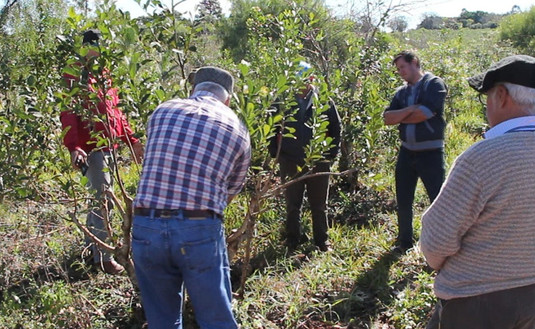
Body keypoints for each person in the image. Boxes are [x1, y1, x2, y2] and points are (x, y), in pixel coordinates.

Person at [421, 55, 535, 329]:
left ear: (502, 95)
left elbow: (436, 243)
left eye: (486, 99)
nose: (486, 109)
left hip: (478, 300)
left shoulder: (483, 158)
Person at [132, 66, 251, 328]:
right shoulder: (238, 130)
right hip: (198, 227)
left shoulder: (162, 111)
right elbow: (229, 193)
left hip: (145, 226)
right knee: (216, 318)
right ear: (228, 99)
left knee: (162, 320)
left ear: (193, 89)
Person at [60, 29, 143, 274]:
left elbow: (114, 112)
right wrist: (74, 146)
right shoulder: (75, 74)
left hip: (108, 146)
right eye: (94, 46)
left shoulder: (104, 75)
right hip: (91, 148)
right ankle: (104, 259)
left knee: (99, 197)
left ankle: (90, 249)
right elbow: (68, 113)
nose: (98, 52)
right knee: (103, 199)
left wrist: (131, 140)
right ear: (86, 47)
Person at [268, 61, 341, 252]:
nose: (301, 83)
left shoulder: (324, 100)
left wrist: (330, 154)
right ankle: (292, 241)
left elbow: (336, 127)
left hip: (318, 160)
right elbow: (271, 125)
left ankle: (321, 241)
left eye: (304, 79)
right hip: (290, 160)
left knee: (319, 205)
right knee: (293, 204)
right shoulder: (282, 100)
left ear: (311, 79)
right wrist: (275, 153)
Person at [383, 51, 447, 253]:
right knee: (403, 198)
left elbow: (425, 113)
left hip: (431, 153)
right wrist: (409, 111)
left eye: (403, 67)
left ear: (415, 63)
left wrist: (401, 115)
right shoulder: (401, 92)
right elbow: (387, 118)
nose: (401, 72)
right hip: (406, 151)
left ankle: (442, 243)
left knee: (437, 200)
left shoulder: (434, 84)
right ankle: (404, 242)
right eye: (398, 69)